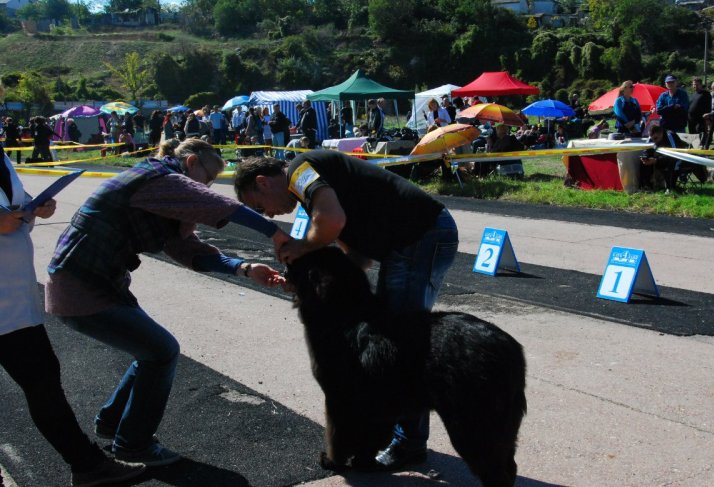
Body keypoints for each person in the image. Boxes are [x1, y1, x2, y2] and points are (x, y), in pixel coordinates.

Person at [45, 138, 289, 467]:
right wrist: (275, 233)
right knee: (161, 351)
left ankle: (112, 423)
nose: (207, 186)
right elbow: (213, 203)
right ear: (191, 163)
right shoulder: (156, 178)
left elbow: (190, 251)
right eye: (208, 177)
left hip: (94, 283)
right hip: (81, 284)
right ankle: (133, 445)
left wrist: (245, 268)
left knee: (151, 352)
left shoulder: (162, 192)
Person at [233, 151, 459, 471]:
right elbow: (357, 259)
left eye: (259, 206)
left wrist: (302, 247)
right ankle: (397, 434)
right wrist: (304, 282)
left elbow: (331, 222)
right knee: (390, 340)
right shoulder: (313, 187)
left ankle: (409, 443)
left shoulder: (300, 171)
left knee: (398, 344)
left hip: (421, 236)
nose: (268, 214)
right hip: (418, 237)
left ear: (263, 182)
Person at [0, 145, 146, 486]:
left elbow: (13, 202)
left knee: (42, 378)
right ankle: (87, 464)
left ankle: (87, 464)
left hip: (12, 296)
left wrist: (35, 207)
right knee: (42, 379)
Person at [639, 124, 707, 193]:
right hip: (662, 159)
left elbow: (674, 156)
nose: (654, 141)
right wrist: (645, 157)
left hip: (679, 159)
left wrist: (656, 160)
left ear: (661, 133)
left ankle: (670, 187)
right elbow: (646, 149)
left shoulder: (670, 136)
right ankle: (646, 186)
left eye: (656, 138)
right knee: (643, 162)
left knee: (672, 163)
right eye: (652, 139)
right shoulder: (652, 137)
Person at [688, 77, 712, 143]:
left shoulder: (706, 94)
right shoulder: (693, 95)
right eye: (694, 84)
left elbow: (708, 107)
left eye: (697, 84)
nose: (695, 86)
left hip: (700, 120)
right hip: (691, 120)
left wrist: (707, 119)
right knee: (692, 138)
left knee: (700, 138)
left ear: (701, 85)